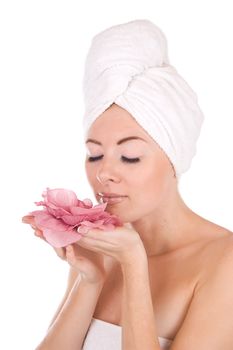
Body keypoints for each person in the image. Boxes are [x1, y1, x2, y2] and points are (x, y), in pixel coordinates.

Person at [22, 19, 233, 349]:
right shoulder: (101, 248)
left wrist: (135, 265)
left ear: (174, 160)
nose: (104, 173)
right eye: (94, 154)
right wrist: (89, 280)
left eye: (130, 155)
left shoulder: (224, 262)